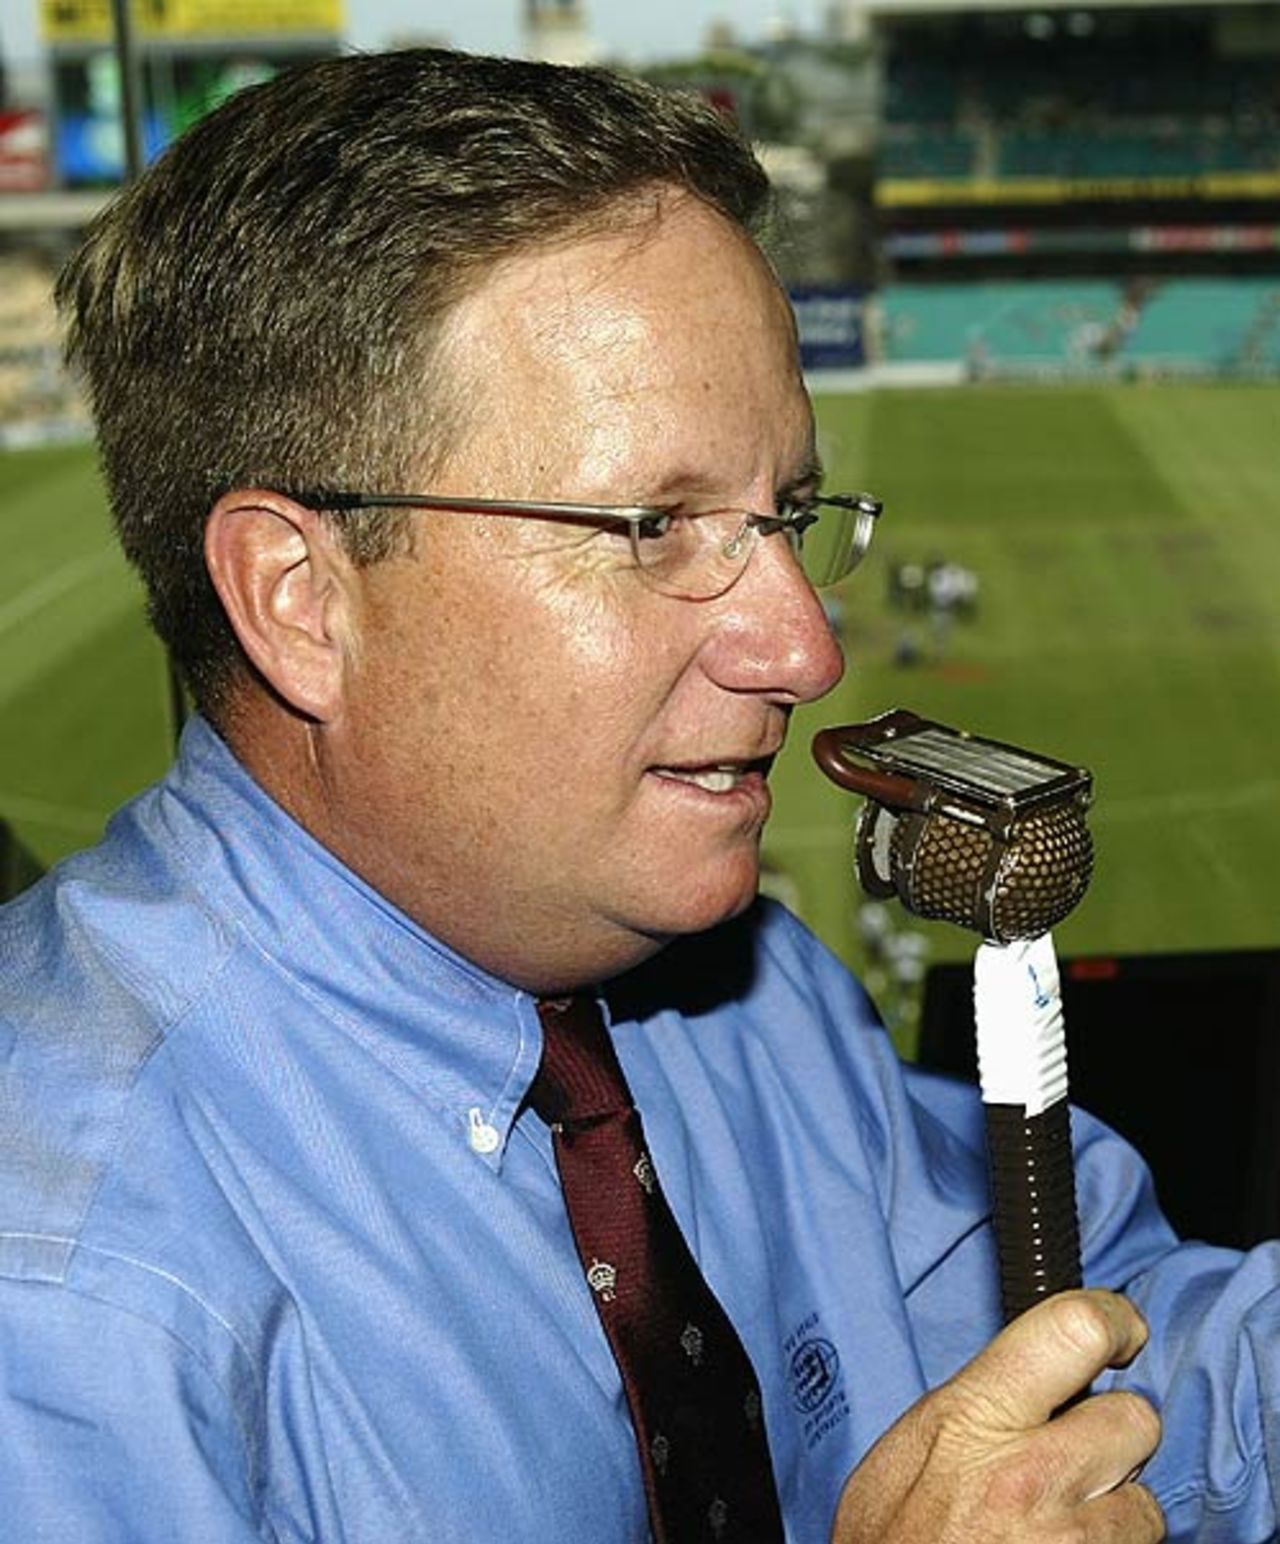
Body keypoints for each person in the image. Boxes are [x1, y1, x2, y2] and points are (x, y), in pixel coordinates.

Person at [0, 48, 1273, 1543]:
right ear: (300, 599)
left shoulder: (749, 994)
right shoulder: (67, 1295)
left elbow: (1092, 1346)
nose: (808, 647)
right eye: (654, 524)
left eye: (788, 515)